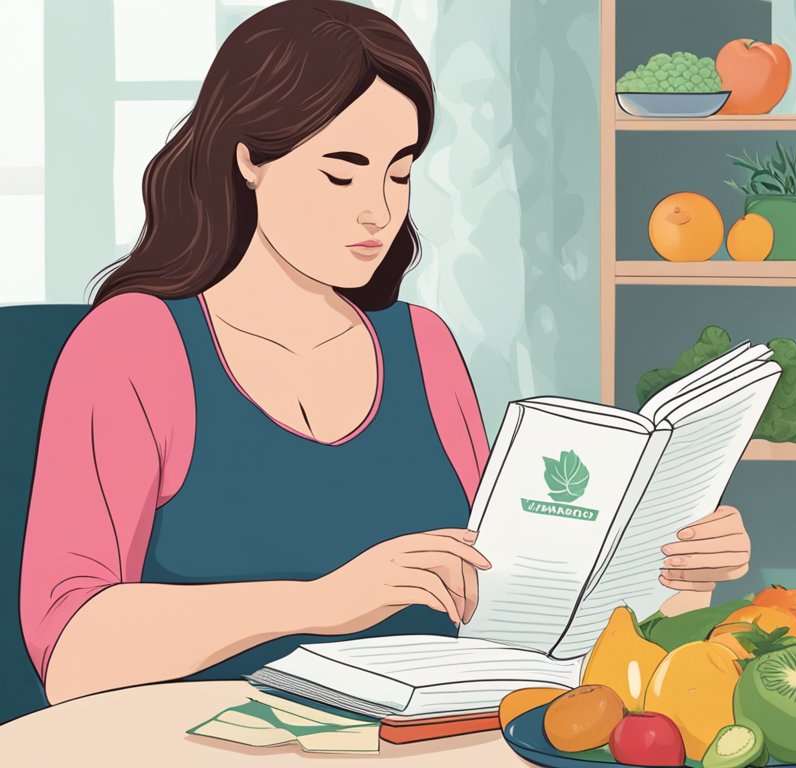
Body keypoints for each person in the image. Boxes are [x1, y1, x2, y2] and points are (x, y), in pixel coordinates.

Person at [19, 0, 751, 706]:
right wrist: (321, 602)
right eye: (342, 171)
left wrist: (674, 574)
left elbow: (495, 611)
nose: (378, 209)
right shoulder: (134, 347)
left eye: (399, 172)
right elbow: (74, 656)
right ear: (248, 158)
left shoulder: (423, 348)